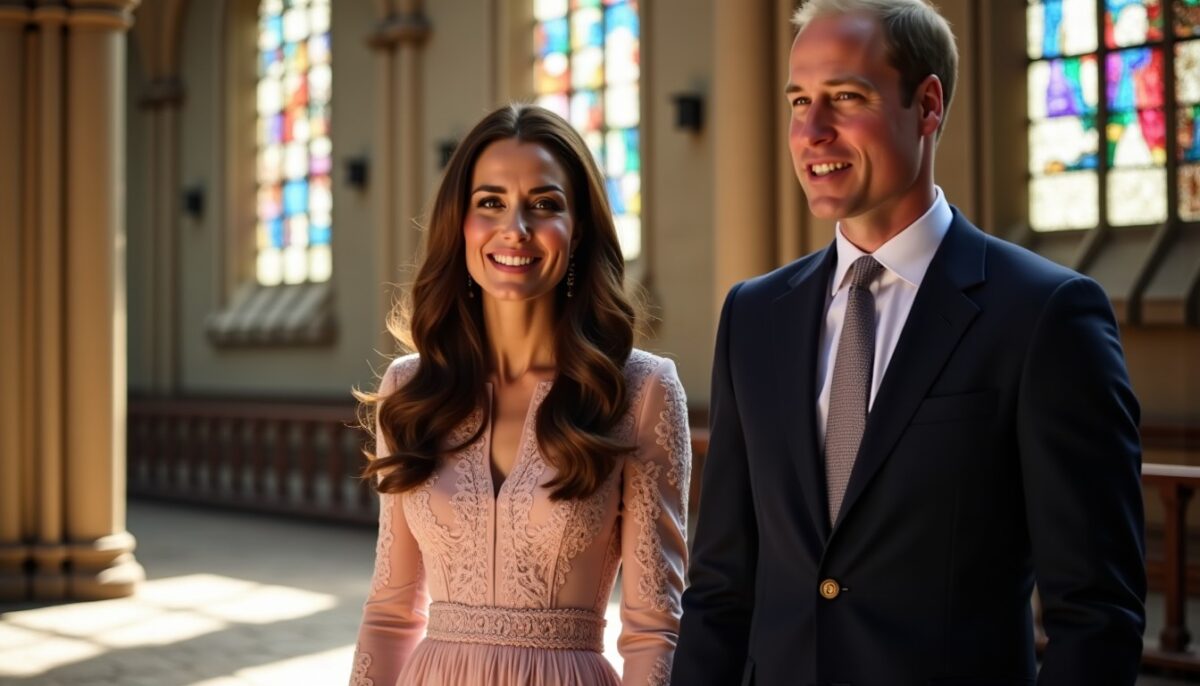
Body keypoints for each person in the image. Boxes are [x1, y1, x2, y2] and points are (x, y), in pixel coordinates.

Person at [672, 1, 1146, 684]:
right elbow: (721, 587)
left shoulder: (1043, 315)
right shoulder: (754, 317)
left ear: (927, 105)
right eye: (799, 101)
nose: (811, 131)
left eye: (845, 97)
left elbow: (1098, 613)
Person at [349, 103, 690, 686]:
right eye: (491, 203)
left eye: (545, 204)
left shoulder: (641, 389)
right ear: (461, 223)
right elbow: (389, 612)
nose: (516, 228)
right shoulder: (411, 387)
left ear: (577, 227)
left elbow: (655, 627)